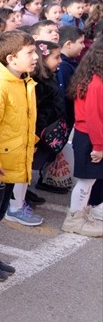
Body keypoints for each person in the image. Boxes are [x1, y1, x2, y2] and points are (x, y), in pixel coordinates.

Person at [0, 31, 41, 239]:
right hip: (0, 165)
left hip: (10, 158)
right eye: (30, 52)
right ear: (11, 58)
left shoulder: (22, 81)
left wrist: (30, 142)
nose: (36, 57)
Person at [64, 43, 103, 235]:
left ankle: (82, 214)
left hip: (89, 136)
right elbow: (94, 118)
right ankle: (74, 220)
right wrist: (98, 146)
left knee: (89, 181)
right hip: (90, 138)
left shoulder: (90, 78)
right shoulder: (96, 83)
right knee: (86, 181)